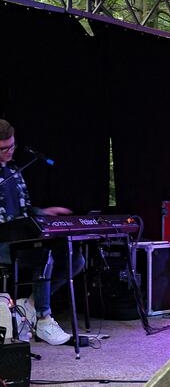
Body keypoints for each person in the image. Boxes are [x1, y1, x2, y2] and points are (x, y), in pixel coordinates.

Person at [0, 119, 84, 345]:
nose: (9, 151)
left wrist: (43, 212)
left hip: (20, 238)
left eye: (12, 146)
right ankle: (43, 319)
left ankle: (30, 305)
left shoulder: (14, 170)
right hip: (3, 244)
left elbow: (24, 209)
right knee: (43, 255)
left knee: (75, 259)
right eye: (3, 148)